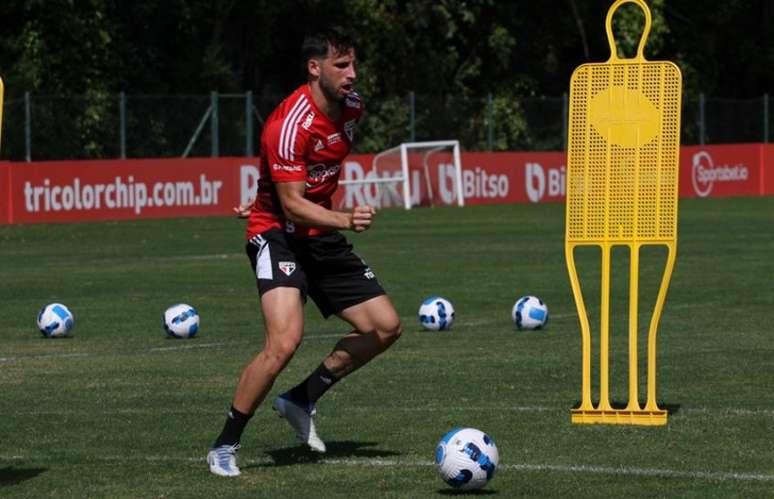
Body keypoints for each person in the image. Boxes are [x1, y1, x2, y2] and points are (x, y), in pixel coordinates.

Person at [207, 26, 403, 477]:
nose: (352, 74)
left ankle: (301, 398)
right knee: (284, 342)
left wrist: (278, 195)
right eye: (341, 65)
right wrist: (344, 218)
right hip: (276, 232)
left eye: (354, 63)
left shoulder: (352, 108)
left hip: (318, 234)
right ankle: (225, 444)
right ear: (314, 68)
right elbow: (292, 203)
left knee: (386, 328)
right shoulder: (287, 125)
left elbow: (305, 182)